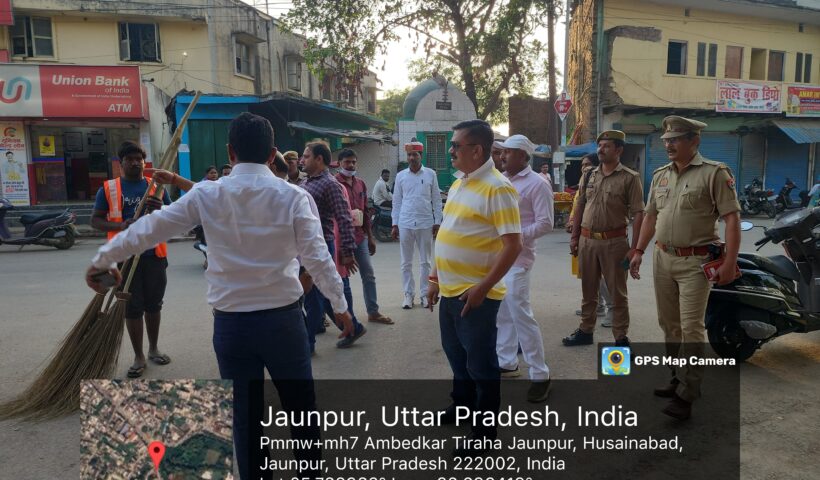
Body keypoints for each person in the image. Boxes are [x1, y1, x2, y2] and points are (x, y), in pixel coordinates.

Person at [86, 113, 352, 480]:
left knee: (246, 419)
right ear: (272, 153)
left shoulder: (207, 194)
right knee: (301, 411)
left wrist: (102, 259)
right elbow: (318, 259)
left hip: (232, 328)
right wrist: (340, 307)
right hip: (284, 324)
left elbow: (149, 228)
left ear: (230, 152)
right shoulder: (294, 196)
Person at [629, 116, 741, 421]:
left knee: (691, 328)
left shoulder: (714, 173)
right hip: (663, 258)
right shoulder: (660, 175)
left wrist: (730, 262)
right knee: (670, 325)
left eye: (675, 139)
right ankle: (677, 377)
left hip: (696, 262)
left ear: (694, 140)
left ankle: (688, 393)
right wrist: (638, 250)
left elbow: (731, 219)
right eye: (666, 140)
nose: (669, 145)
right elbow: (651, 216)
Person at [427, 119, 522, 455]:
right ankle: (462, 406)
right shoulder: (459, 183)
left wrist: (483, 287)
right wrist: (435, 278)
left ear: (477, 150)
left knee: (481, 366)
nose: (450, 150)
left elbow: (513, 245)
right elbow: (447, 233)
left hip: (475, 295)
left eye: (456, 145)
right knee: (457, 356)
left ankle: (484, 435)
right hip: (450, 291)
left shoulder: (498, 189)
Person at [90, 141, 171, 379]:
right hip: (124, 258)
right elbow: (95, 221)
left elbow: (172, 217)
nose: (135, 163)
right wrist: (121, 226)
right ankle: (139, 356)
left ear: (144, 163)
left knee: (154, 305)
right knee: (132, 308)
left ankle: (153, 348)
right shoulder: (108, 188)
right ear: (121, 163)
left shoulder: (156, 187)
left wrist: (160, 209)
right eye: (130, 159)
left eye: (139, 159)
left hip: (154, 256)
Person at [564, 131, 645, 348]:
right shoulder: (589, 174)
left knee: (617, 293)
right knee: (588, 290)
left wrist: (635, 248)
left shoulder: (630, 177)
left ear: (619, 150)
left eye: (607, 146)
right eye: (600, 145)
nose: (601, 149)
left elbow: (639, 214)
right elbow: (580, 205)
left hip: (615, 243)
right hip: (587, 241)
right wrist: (575, 237)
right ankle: (585, 330)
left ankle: (620, 338)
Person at [495, 135, 554, 402]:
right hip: (498, 258)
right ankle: (507, 362)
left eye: (508, 152)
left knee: (521, 314)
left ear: (522, 155)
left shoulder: (537, 184)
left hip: (519, 259)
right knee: (502, 312)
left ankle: (540, 374)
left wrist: (516, 238)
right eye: (502, 152)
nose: (502, 156)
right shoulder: (501, 180)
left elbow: (545, 223)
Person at [302, 141, 366, 350]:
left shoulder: (330, 184)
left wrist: (347, 251)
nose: (302, 160)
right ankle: (354, 327)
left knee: (314, 299)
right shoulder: (306, 182)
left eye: (306, 156)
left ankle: (307, 344)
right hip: (307, 246)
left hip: (322, 245)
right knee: (323, 296)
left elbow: (344, 218)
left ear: (319, 159)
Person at [335, 149, 394, 325]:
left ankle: (373, 312)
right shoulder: (334, 184)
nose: (351, 165)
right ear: (339, 163)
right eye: (347, 162)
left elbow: (366, 213)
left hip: (360, 237)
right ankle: (343, 316)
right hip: (340, 238)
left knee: (368, 274)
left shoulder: (360, 183)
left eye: (353, 162)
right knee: (340, 278)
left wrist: (370, 237)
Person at [391, 139, 443, 309]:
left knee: (425, 262)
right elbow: (396, 201)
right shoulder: (400, 176)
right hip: (405, 222)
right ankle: (408, 294)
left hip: (425, 222)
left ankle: (424, 294)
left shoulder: (430, 174)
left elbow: (436, 199)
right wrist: (394, 223)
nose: (412, 158)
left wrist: (437, 221)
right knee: (405, 262)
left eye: (415, 154)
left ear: (421, 155)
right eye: (409, 155)